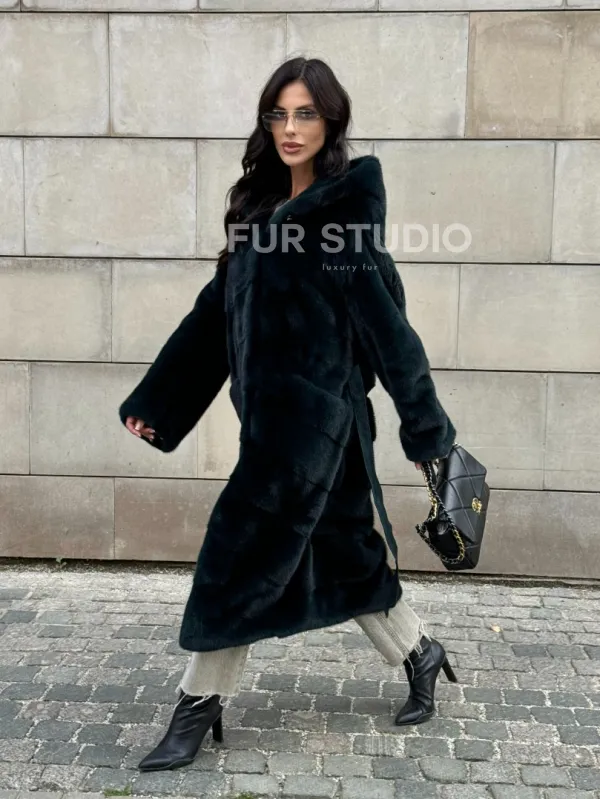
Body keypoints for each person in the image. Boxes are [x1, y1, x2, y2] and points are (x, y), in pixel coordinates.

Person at [119, 56, 457, 773]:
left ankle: (196, 706)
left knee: (237, 557)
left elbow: (391, 335)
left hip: (316, 432)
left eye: (306, 113)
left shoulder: (341, 221)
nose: (291, 127)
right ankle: (421, 651)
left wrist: (428, 432)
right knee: (348, 557)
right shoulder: (259, 214)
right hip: (271, 426)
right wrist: (159, 403)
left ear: (331, 121)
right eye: (279, 113)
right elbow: (212, 321)